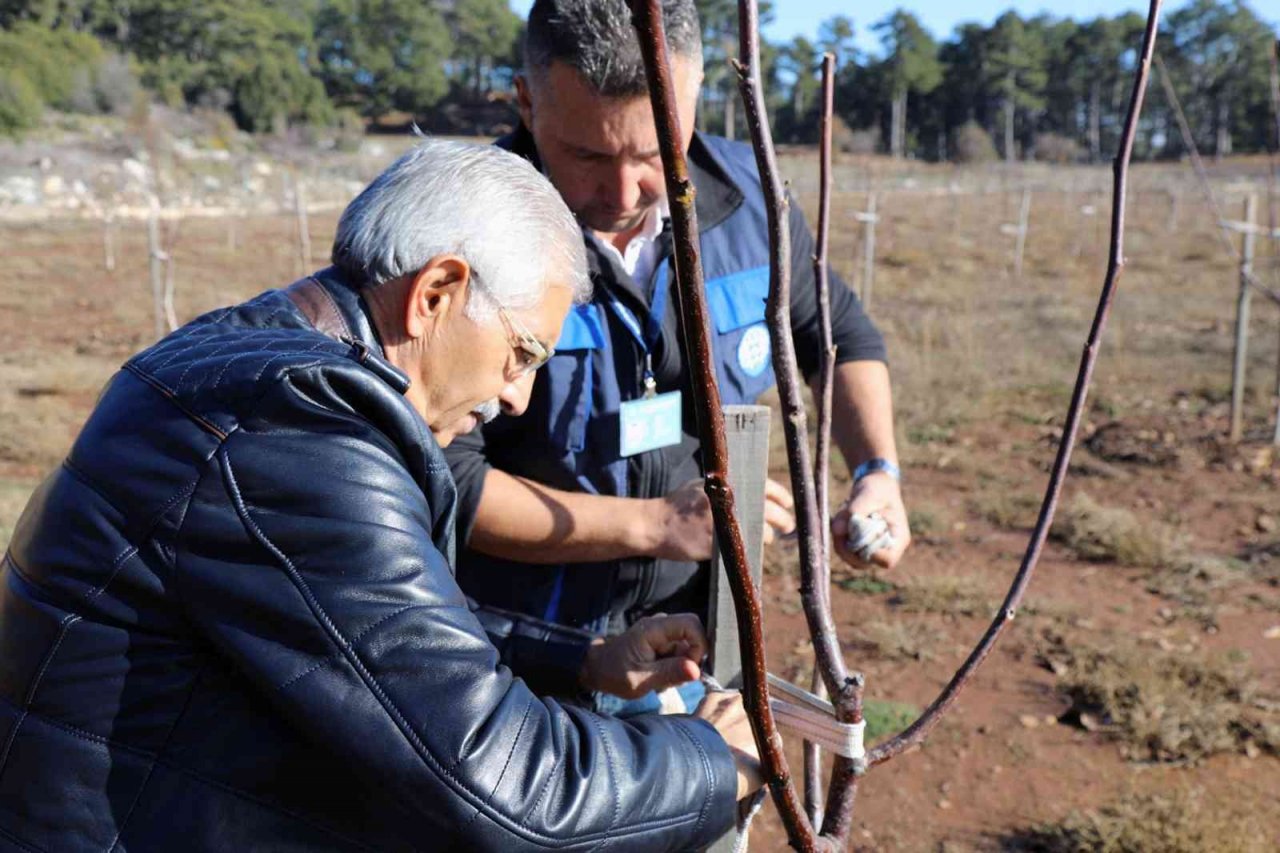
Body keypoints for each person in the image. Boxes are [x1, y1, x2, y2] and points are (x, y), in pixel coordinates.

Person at [0, 139, 759, 852]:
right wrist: (709, 759)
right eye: (521, 352)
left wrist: (579, 660)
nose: (518, 395)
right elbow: (503, 785)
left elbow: (355, 617)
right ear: (435, 293)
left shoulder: (248, 362)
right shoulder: (298, 429)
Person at [445, 0, 911, 709]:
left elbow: (839, 331)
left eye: (656, 152)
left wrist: (878, 472)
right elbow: (441, 480)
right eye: (588, 155)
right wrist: (657, 526)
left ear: (694, 98)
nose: (624, 191)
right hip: (513, 659)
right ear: (527, 103)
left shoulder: (753, 205)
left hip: (699, 646)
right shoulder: (458, 235)